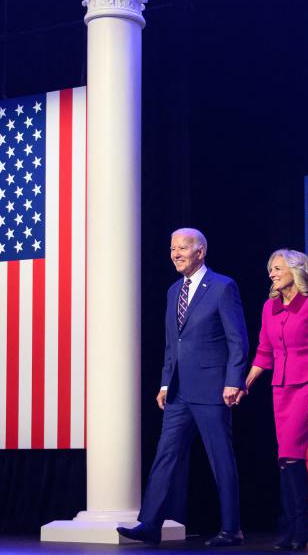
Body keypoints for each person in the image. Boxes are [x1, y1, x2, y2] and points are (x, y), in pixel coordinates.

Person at [118, 228, 248, 546]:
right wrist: (165, 383)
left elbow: (238, 339)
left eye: (182, 247)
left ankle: (232, 529)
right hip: (178, 393)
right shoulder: (173, 290)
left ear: (200, 251)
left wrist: (234, 381)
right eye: (172, 248)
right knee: (165, 455)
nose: (175, 253)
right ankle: (149, 524)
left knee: (221, 459)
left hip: (213, 390)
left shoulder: (222, 287)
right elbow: (171, 344)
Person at [241, 249, 308, 550]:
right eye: (271, 268)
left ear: (296, 270)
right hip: (280, 388)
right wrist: (244, 383)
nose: (271, 273)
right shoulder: (269, 308)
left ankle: (299, 524)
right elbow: (264, 352)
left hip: (307, 386)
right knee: (286, 456)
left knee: (292, 452)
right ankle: (295, 524)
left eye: (277, 268)